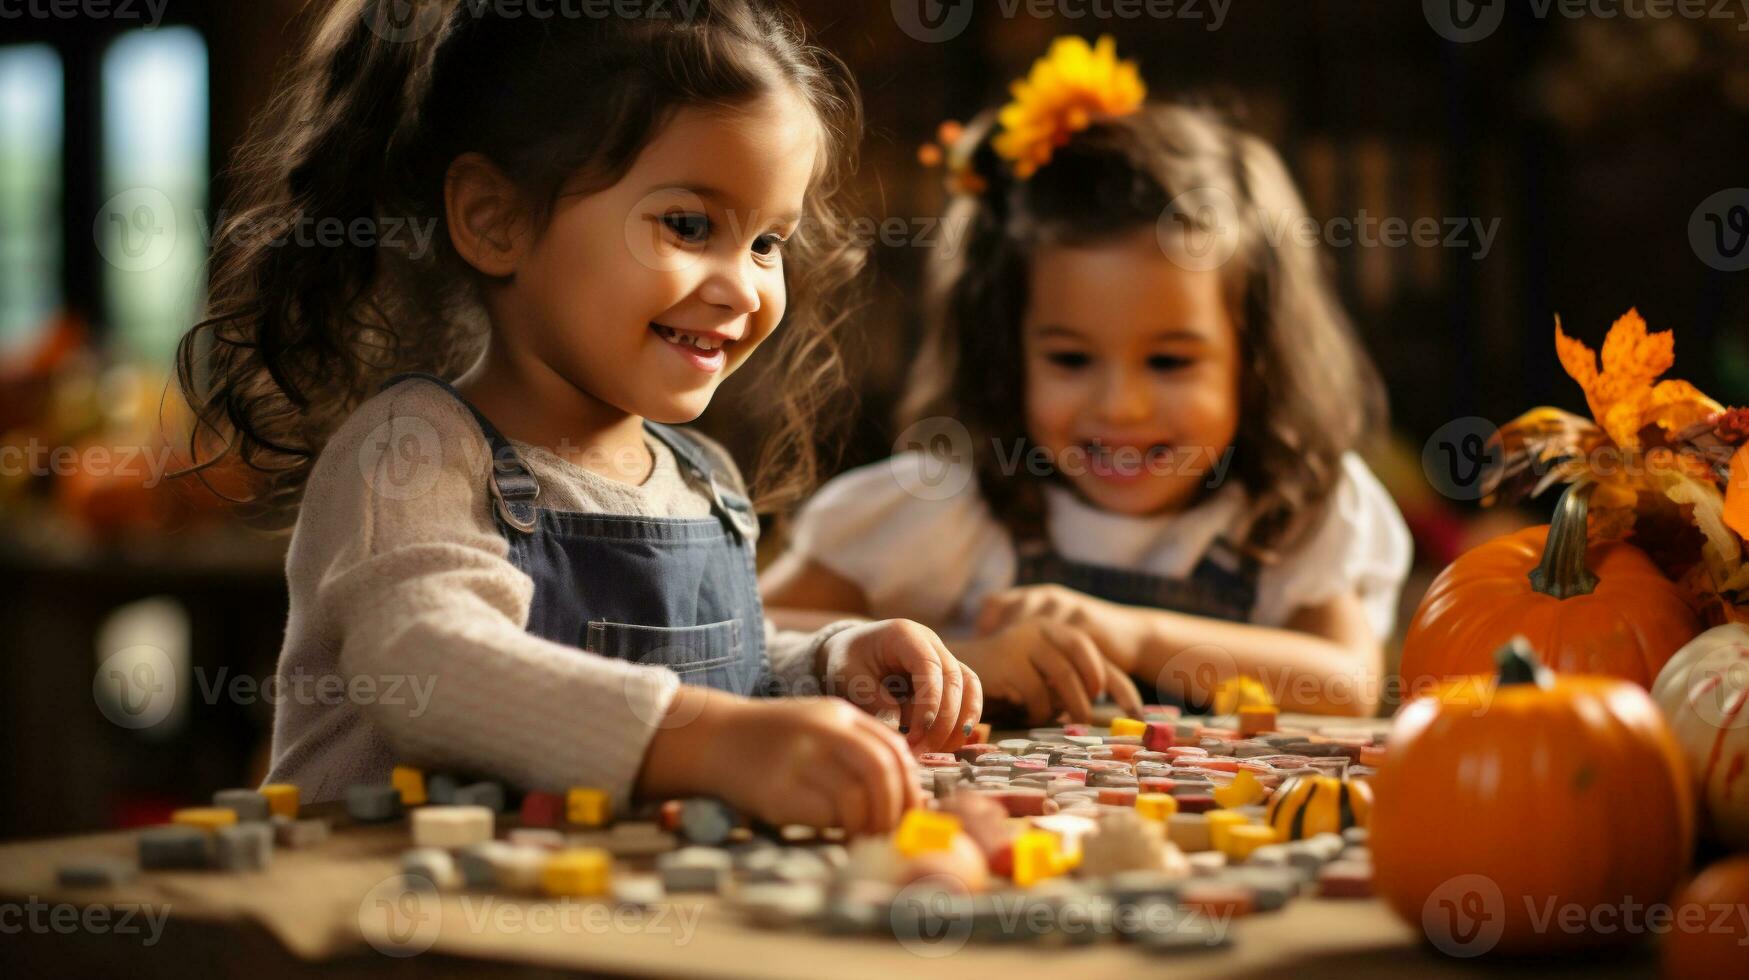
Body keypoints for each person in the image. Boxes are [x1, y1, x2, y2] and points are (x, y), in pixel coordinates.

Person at [176, 0, 979, 836]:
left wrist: (826, 665)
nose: (743, 288)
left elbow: (701, 677)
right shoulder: (414, 452)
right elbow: (428, 667)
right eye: (688, 224)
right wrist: (721, 742)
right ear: (496, 220)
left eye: (768, 242)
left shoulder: (699, 476)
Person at [762, 37, 1411, 720]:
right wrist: (959, 658)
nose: (1120, 407)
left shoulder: (1287, 510)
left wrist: (1132, 634)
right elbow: (746, 635)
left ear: (1255, 358)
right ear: (1006, 353)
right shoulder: (953, 509)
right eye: (1070, 360)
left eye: (1169, 361)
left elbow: (1347, 683)